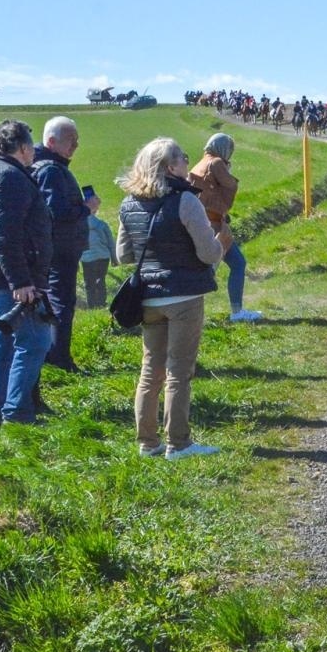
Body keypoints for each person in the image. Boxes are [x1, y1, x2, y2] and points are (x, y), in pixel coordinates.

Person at [117, 138, 230, 459]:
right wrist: (222, 242)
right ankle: (178, 443)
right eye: (183, 158)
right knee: (179, 372)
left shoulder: (128, 203)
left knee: (150, 371)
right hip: (184, 295)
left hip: (148, 299)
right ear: (170, 167)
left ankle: (147, 442)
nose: (187, 163)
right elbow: (208, 254)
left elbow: (123, 254)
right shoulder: (186, 201)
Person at [0, 121, 53, 426]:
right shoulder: (9, 177)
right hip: (6, 279)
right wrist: (20, 281)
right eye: (31, 145)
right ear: (22, 147)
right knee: (35, 341)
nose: (34, 150)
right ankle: (16, 412)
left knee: (2, 343)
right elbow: (4, 234)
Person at [32, 116, 90, 395]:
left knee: (58, 302)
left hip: (56, 249)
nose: (75, 146)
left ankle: (55, 354)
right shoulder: (51, 171)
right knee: (62, 303)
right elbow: (57, 212)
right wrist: (87, 208)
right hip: (60, 250)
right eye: (71, 141)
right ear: (52, 141)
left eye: (77, 141)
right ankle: (58, 357)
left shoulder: (46, 166)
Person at [188, 133, 261, 322]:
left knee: (212, 268)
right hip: (214, 226)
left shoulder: (200, 163)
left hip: (202, 223)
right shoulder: (217, 163)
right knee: (235, 264)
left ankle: (194, 313)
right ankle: (236, 312)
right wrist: (228, 170)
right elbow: (230, 186)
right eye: (230, 149)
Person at [81, 187, 115, 308]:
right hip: (103, 256)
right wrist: (114, 258)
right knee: (101, 279)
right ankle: (102, 302)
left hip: (87, 258)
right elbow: (111, 242)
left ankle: (91, 304)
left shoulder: (79, 226)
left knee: (89, 282)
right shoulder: (102, 224)